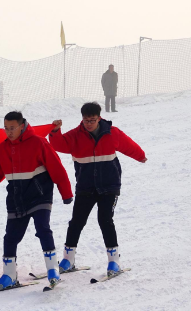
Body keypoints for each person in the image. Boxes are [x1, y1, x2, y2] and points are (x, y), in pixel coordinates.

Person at [0, 111, 73, 290]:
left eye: (12, 128)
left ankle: (52, 270)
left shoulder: (39, 143)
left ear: (21, 126)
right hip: (16, 198)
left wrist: (66, 193)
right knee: (11, 237)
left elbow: (57, 168)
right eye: (6, 128)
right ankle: (9, 274)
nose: (9, 132)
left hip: (40, 195)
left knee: (43, 229)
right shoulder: (1, 149)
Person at [49, 102, 146, 276]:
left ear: (99, 118)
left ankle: (114, 262)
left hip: (109, 186)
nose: (89, 123)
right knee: (76, 222)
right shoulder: (75, 136)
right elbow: (59, 145)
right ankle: (68, 260)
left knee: (105, 220)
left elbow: (127, 145)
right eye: (86, 120)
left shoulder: (112, 133)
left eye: (92, 120)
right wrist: (55, 131)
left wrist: (141, 156)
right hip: (85, 186)